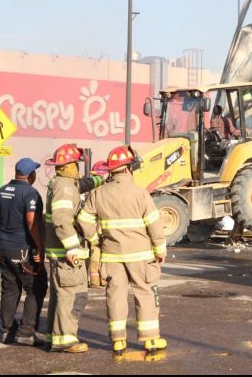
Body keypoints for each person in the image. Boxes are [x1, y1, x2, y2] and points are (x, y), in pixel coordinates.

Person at [76, 145, 167, 358]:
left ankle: (118, 340)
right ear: (127, 169)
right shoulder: (140, 193)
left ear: (111, 170)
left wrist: (96, 239)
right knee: (145, 293)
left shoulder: (98, 193)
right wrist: (160, 249)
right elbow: (154, 224)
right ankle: (150, 340)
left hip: (111, 255)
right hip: (142, 256)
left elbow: (83, 219)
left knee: (115, 295)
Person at [43, 143, 104, 353]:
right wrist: (73, 248)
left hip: (58, 252)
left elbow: (82, 184)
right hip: (66, 254)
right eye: (76, 164)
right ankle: (66, 340)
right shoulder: (65, 187)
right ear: (69, 165)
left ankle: (54, 335)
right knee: (73, 294)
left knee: (61, 295)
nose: (77, 167)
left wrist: (100, 179)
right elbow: (61, 220)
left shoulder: (63, 182)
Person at [0, 157, 47, 346]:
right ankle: (26, 332)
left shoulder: (1, 191)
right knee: (36, 287)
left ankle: (7, 331)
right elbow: (32, 221)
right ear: (31, 174)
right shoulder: (31, 194)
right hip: (23, 250)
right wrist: (40, 246)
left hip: (4, 248)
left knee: (10, 288)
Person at [87, 161, 110, 288]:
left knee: (94, 252)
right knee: (102, 253)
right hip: (102, 226)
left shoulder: (91, 190)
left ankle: (94, 280)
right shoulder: (104, 190)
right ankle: (102, 279)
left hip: (92, 227)